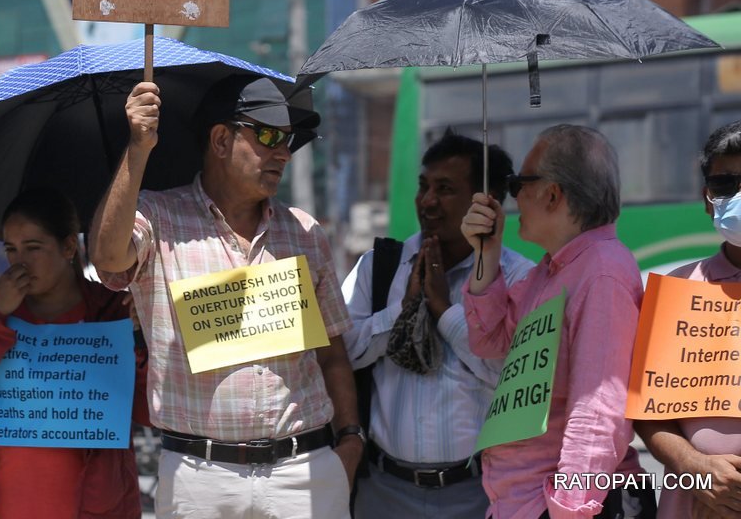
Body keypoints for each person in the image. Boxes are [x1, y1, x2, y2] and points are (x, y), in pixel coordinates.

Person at [89, 75, 362, 519]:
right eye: (269, 135)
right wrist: (138, 148)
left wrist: (350, 439)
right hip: (200, 477)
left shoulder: (305, 232)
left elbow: (331, 350)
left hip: (304, 469)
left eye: (289, 140)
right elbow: (107, 256)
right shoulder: (159, 219)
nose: (283, 153)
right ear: (220, 140)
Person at [461, 124, 655, 519]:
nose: (511, 198)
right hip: (521, 502)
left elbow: (600, 406)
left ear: (552, 194)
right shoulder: (552, 271)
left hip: (557, 505)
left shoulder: (601, 271)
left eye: (517, 185)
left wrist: (569, 508)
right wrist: (487, 253)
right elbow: (491, 340)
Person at [342, 130, 533, 517]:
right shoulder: (379, 267)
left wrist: (445, 311)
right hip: (384, 491)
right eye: (423, 186)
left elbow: (512, 379)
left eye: (445, 189)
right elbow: (343, 354)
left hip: (479, 494)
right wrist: (404, 309)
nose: (427, 202)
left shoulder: (518, 279)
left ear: (486, 202)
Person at [0, 188, 147, 519]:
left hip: (97, 508)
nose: (20, 262)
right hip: (5, 508)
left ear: (69, 246)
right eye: (11, 249)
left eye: (33, 247)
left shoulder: (115, 312)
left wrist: (141, 336)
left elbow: (148, 410)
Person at [636, 120, 741, 519]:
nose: (738, 195)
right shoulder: (676, 289)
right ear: (706, 198)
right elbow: (646, 412)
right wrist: (696, 469)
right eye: (725, 185)